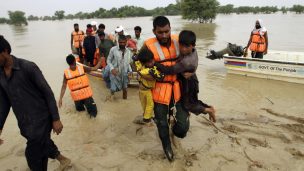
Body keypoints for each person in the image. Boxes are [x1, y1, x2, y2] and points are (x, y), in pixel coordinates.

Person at [0, 35, 71, 171]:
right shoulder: (0, 75)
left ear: (5, 51)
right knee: (42, 146)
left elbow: (48, 93)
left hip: (42, 119)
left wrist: (56, 119)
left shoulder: (27, 67)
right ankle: (63, 160)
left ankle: (59, 161)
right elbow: (4, 103)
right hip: (25, 123)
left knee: (32, 155)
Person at [139, 16, 189, 162]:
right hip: (159, 90)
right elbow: (137, 64)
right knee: (161, 123)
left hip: (178, 88)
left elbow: (192, 53)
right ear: (154, 31)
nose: (164, 35)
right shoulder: (147, 45)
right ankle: (167, 147)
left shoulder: (178, 40)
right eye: (160, 32)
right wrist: (146, 75)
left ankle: (176, 129)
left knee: (183, 128)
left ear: (170, 29)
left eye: (166, 31)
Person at [155, 30, 216, 119]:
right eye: (181, 45)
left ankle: (208, 110)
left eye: (186, 47)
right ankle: (209, 108)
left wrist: (155, 63)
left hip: (189, 82)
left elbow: (169, 70)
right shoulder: (193, 51)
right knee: (193, 101)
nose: (183, 49)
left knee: (188, 104)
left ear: (193, 45)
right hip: (192, 78)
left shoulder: (186, 62)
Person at [134, 48, 164, 125]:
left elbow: (136, 60)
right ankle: (147, 119)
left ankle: (146, 116)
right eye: (150, 62)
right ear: (144, 63)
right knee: (150, 104)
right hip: (146, 90)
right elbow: (160, 76)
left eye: (152, 60)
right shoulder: (150, 71)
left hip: (141, 90)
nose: (153, 62)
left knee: (144, 104)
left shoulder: (140, 66)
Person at [106, 35, 132, 100]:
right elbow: (108, 60)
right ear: (118, 42)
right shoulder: (113, 49)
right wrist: (112, 69)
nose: (122, 44)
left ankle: (124, 102)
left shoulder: (128, 51)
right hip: (115, 72)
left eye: (123, 42)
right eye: (120, 42)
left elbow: (128, 63)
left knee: (125, 88)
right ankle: (111, 99)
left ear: (126, 42)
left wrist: (130, 72)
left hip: (125, 73)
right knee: (113, 89)